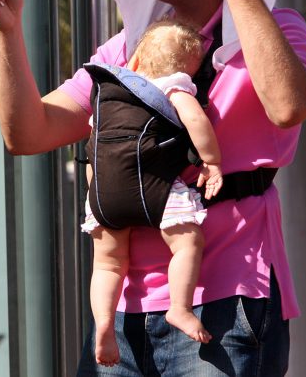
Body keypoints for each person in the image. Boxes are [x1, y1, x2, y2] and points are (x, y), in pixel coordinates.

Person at [0, 0, 306, 376]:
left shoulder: (278, 30)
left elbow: (289, 107)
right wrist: (7, 32)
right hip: (121, 310)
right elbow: (27, 133)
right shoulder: (125, 51)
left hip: (228, 302)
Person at [82, 20, 223, 367]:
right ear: (186, 68)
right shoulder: (173, 86)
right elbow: (195, 121)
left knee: (108, 264)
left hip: (103, 194)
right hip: (152, 188)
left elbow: (93, 149)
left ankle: (104, 323)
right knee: (187, 243)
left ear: (137, 60)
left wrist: (96, 190)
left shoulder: (108, 93)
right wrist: (212, 160)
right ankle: (180, 307)